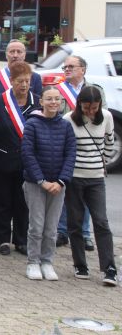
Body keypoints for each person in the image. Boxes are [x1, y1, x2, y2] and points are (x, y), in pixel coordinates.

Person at [64, 86, 118, 286]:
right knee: (75, 222)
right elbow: (66, 148)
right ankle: (80, 264)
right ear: (79, 104)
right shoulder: (69, 119)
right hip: (75, 177)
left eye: (94, 108)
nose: (90, 112)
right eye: (86, 108)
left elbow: (110, 144)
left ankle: (109, 267)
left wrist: (99, 161)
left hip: (96, 177)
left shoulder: (107, 117)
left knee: (101, 222)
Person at [21, 86, 76, 281]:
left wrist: (61, 181)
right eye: (49, 99)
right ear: (41, 101)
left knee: (51, 228)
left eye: (57, 99)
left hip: (58, 185)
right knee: (36, 225)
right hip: (36, 184)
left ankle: (47, 261)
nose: (53, 102)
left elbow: (70, 154)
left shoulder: (66, 125)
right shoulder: (32, 124)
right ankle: (33, 262)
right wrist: (41, 181)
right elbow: (27, 154)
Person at [0, 61, 40, 256]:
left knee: (23, 202)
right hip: (2, 158)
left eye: (27, 81)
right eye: (19, 81)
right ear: (11, 81)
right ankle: (1, 239)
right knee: (1, 200)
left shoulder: (38, 102)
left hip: (28, 163)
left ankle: (21, 239)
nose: (24, 85)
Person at [55, 55, 101, 249]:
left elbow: (101, 117)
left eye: (71, 67)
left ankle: (84, 233)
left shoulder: (95, 90)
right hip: (66, 146)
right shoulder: (58, 90)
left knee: (85, 196)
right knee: (65, 191)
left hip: (87, 150)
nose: (67, 70)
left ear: (83, 69)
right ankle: (63, 230)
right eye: (65, 67)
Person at [0, 40, 42, 115]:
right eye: (12, 52)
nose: (15, 55)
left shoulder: (35, 77)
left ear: (24, 55)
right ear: (6, 55)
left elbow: (38, 106)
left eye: (19, 52)